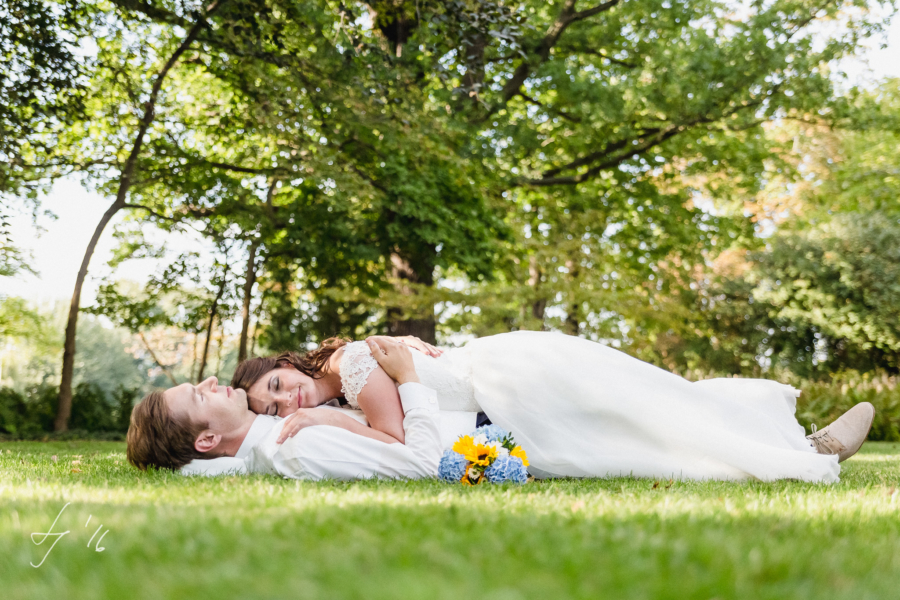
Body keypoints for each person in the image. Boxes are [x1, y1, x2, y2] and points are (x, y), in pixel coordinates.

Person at [127, 338, 447, 480]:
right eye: (199, 396)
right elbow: (423, 466)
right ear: (208, 440)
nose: (210, 380)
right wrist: (407, 377)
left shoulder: (291, 423)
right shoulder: (299, 443)